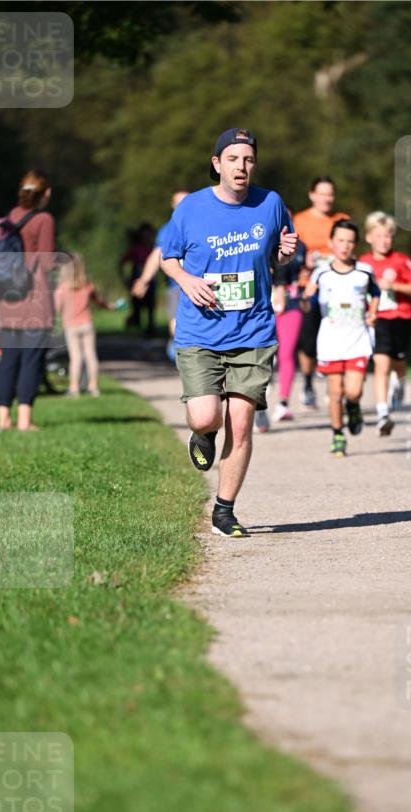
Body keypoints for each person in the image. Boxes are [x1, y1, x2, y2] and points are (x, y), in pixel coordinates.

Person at [160, 127, 298, 537]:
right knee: (207, 416)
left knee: (240, 425)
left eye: (249, 159)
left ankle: (224, 510)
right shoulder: (190, 208)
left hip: (253, 331)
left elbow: (281, 253)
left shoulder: (271, 203)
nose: (243, 167)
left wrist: (285, 255)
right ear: (217, 163)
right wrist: (186, 281)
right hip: (201, 331)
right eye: (234, 159)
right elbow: (168, 258)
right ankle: (202, 435)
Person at [304, 220, 379, 456]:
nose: (345, 246)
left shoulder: (364, 271)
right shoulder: (321, 273)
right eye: (340, 241)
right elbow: (308, 307)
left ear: (355, 244)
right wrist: (306, 297)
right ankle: (338, 433)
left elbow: (375, 293)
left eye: (349, 241)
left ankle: (354, 406)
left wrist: (373, 311)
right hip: (330, 342)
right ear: (331, 243)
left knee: (353, 391)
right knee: (335, 392)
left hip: (358, 339)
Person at [0, 168, 55, 432]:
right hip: (35, 297)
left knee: (8, 360)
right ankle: (25, 420)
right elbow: (46, 261)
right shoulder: (43, 219)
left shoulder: (9, 217)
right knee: (31, 360)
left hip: (9, 298)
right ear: (46, 193)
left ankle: (3, 419)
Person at [360, 211, 411, 435]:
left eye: (387, 236)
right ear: (368, 237)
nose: (384, 241)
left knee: (398, 363)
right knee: (381, 365)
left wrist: (393, 286)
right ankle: (382, 413)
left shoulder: (401, 260)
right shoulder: (363, 264)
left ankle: (400, 383)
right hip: (378, 320)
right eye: (378, 236)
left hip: (401, 317)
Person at [293, 177, 350, 408]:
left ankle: (335, 386)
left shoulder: (342, 220)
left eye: (330, 194)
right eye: (322, 194)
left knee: (338, 338)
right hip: (309, 287)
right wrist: (302, 260)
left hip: (338, 289)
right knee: (308, 341)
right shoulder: (300, 221)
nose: (327, 198)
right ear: (312, 195)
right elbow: (289, 253)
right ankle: (307, 382)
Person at [131, 191, 189, 362]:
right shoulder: (168, 229)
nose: (182, 206)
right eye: (179, 203)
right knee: (176, 328)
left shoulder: (206, 223)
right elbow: (157, 256)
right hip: (177, 287)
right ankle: (184, 356)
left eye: (186, 202)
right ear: (172, 205)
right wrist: (143, 281)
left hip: (205, 284)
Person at [54, 253, 114, 397]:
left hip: (71, 326)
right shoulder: (87, 286)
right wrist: (110, 306)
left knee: (76, 358)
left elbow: (56, 308)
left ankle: (74, 388)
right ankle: (93, 386)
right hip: (87, 324)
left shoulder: (62, 288)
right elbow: (100, 302)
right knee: (91, 356)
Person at [269, 233, 307, 424]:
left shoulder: (302, 246)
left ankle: (283, 403)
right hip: (262, 302)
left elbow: (304, 272)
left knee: (287, 353)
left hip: (292, 303)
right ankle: (258, 407)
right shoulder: (257, 239)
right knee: (261, 353)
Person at [119, 223, 156, 334]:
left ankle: (150, 329)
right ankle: (137, 327)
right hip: (136, 279)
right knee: (137, 306)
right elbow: (121, 263)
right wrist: (125, 279)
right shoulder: (135, 249)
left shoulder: (154, 248)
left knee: (150, 305)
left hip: (151, 281)